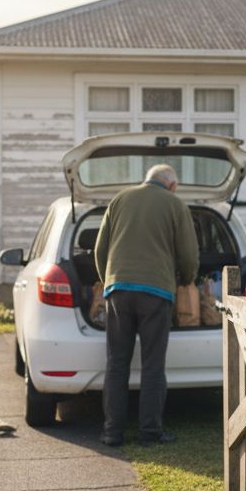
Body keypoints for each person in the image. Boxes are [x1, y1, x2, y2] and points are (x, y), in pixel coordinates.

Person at [93, 163, 199, 447]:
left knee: (117, 363)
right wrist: (188, 280)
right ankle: (150, 433)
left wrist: (108, 281)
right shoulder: (175, 205)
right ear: (172, 185)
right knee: (153, 365)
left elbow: (100, 249)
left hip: (118, 290)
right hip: (156, 292)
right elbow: (188, 254)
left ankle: (111, 432)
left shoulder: (120, 199)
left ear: (147, 180)